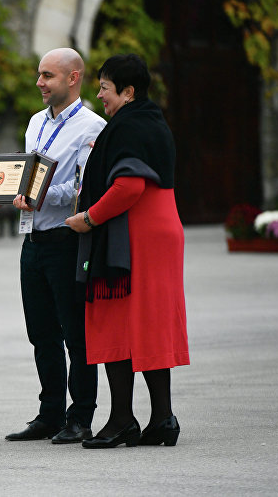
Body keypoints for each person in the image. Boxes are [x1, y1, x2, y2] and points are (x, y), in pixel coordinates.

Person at [0, 48, 106, 443]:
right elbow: (25, 176)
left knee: (75, 335)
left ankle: (80, 417)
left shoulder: (93, 128)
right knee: (41, 333)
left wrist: (41, 195)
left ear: (73, 78)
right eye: (39, 75)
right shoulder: (35, 122)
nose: (39, 83)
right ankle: (49, 413)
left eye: (48, 76)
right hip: (33, 239)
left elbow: (85, 190)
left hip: (67, 240)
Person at [65, 54, 189, 448]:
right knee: (149, 323)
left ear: (128, 91)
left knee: (113, 319)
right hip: (158, 229)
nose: (99, 94)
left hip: (135, 235)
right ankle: (162, 419)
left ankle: (121, 420)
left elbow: (130, 186)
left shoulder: (129, 125)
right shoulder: (151, 120)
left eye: (104, 87)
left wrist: (89, 218)